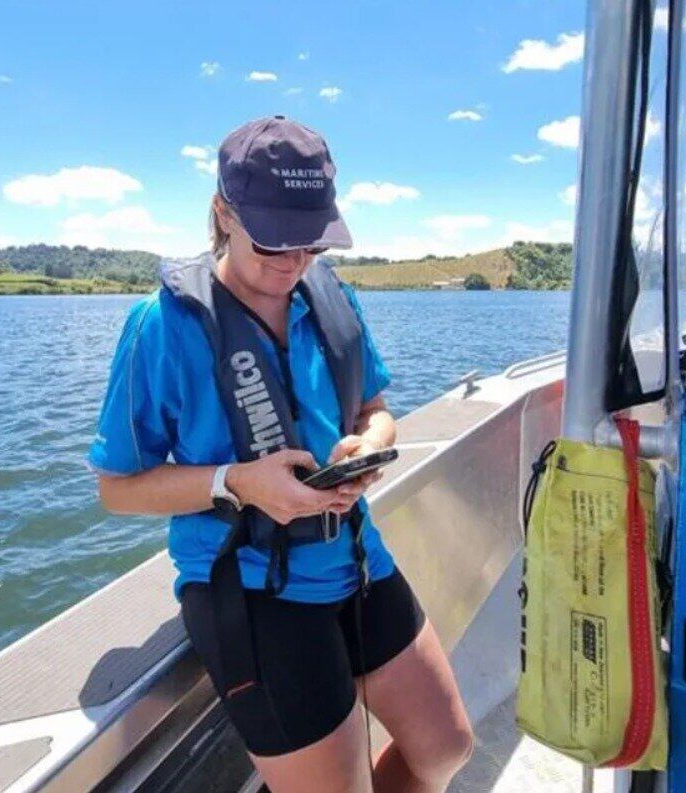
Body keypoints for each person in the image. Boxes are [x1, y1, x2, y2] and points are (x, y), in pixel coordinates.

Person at [89, 116, 473, 793]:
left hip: (354, 557)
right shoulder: (161, 326)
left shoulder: (332, 300)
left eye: (311, 242)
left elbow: (374, 409)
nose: (293, 263)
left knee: (447, 746)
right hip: (250, 588)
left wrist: (371, 444)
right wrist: (237, 481)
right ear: (222, 213)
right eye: (272, 240)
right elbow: (117, 487)